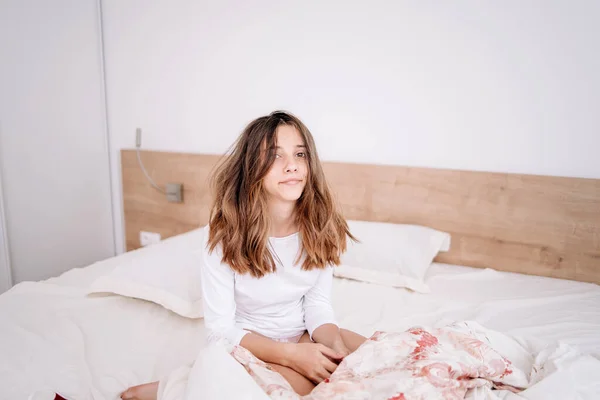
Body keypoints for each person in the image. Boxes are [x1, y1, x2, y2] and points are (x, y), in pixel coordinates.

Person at [121, 111, 366, 400]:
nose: (292, 166)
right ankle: (178, 386)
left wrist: (334, 344)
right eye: (276, 156)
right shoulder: (224, 235)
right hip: (249, 343)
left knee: (378, 359)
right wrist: (292, 356)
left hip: (302, 334)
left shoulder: (320, 224)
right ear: (252, 168)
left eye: (300, 154)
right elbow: (220, 331)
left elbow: (318, 303)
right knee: (309, 390)